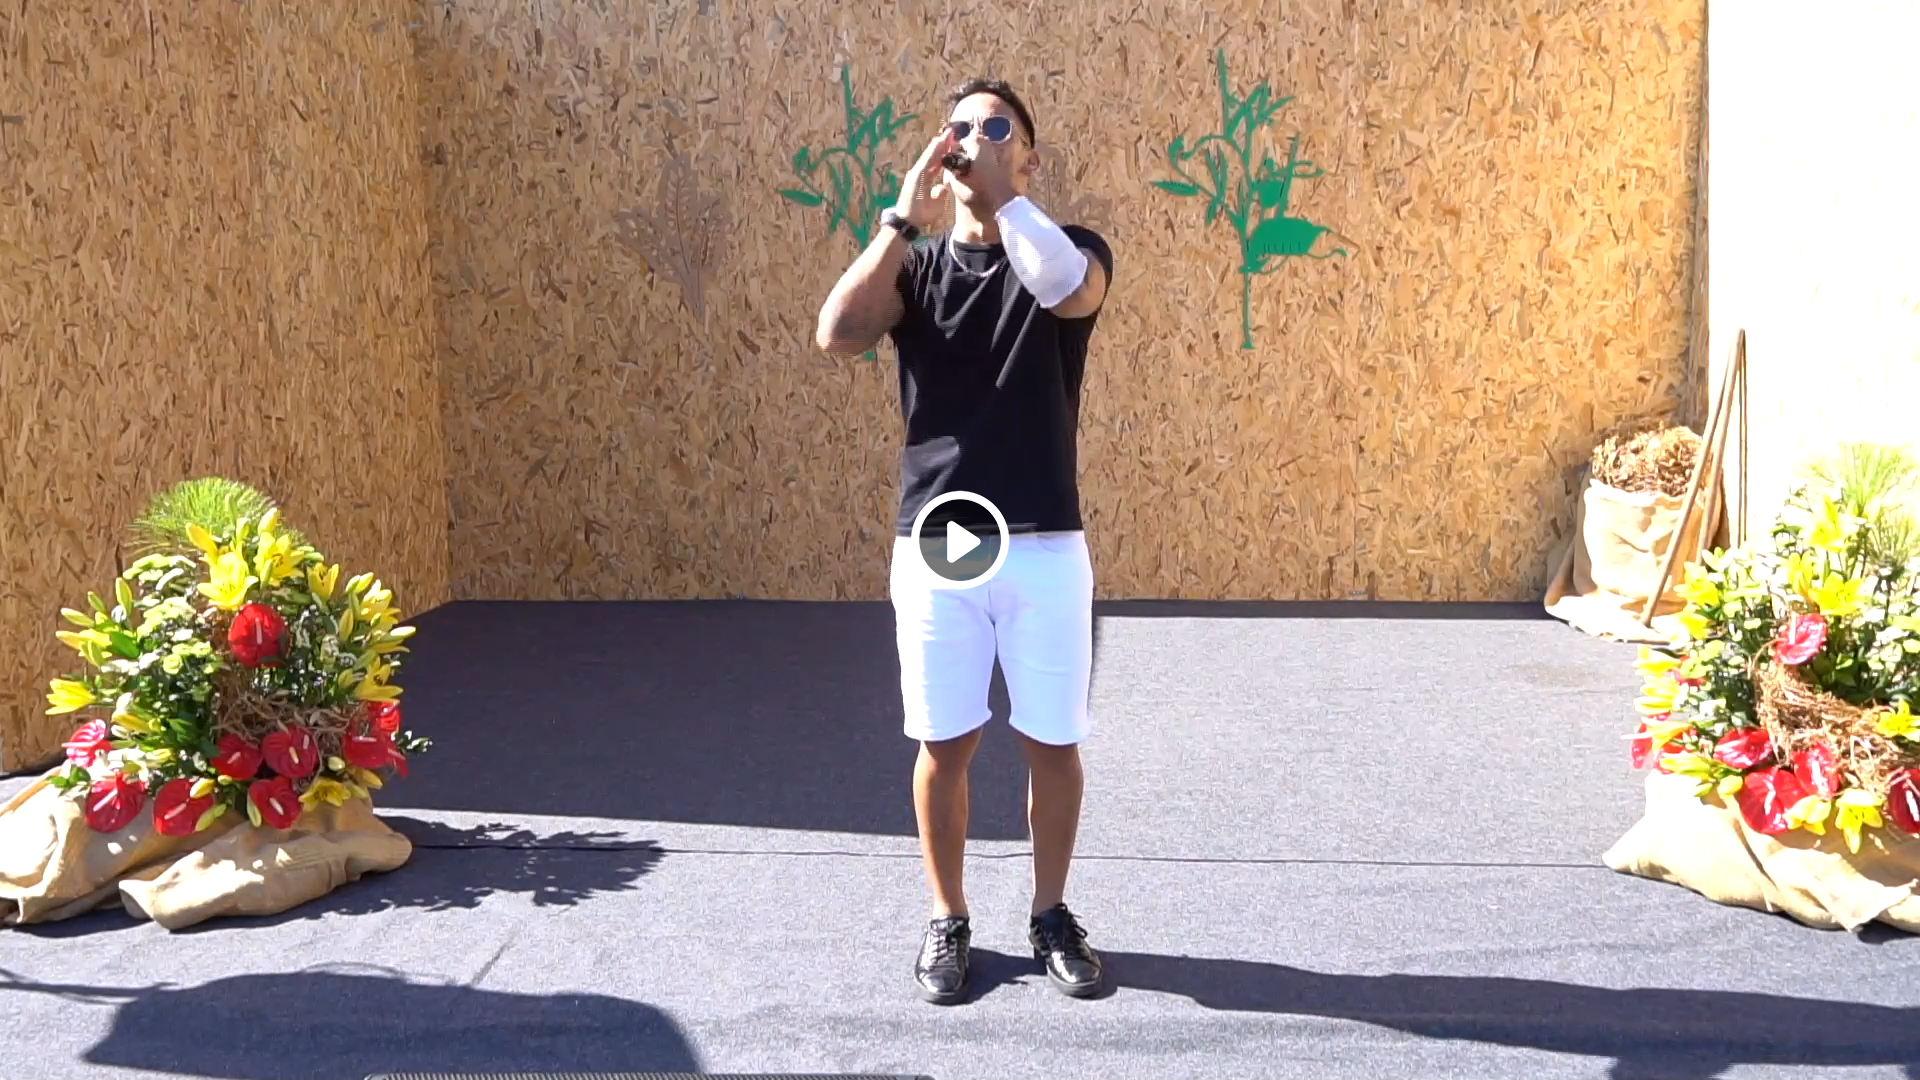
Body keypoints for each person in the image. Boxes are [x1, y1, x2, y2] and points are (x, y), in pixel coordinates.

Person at [814, 78, 1114, 1005]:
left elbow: (1068, 289)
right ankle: (947, 917)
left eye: (997, 127)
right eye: (961, 128)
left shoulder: (1069, 248)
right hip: (939, 538)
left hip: (1043, 539)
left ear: (1029, 156)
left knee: (1052, 741)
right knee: (944, 743)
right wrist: (901, 222)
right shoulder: (916, 270)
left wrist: (1001, 198)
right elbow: (837, 334)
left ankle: (1050, 914)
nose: (976, 139)